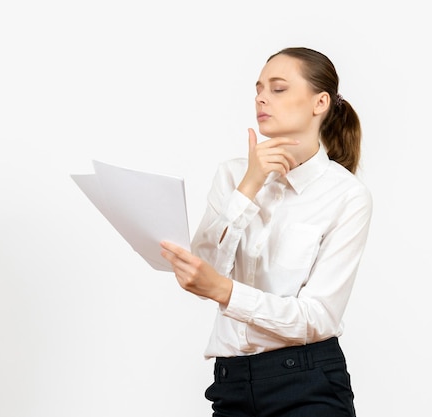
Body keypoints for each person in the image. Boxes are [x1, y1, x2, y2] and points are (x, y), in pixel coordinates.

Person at [160, 46, 373, 417]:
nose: (261, 97)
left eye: (278, 88)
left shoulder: (347, 195)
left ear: (319, 102)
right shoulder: (232, 175)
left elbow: (317, 316)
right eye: (258, 88)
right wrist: (249, 186)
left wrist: (227, 293)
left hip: (308, 383)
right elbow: (201, 272)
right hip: (231, 384)